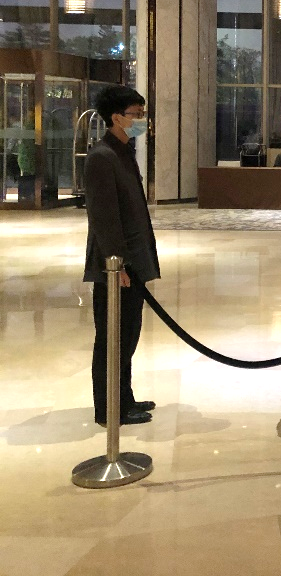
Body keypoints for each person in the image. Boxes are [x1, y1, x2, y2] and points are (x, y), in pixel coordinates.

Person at [83, 84, 160, 426]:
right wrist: (116, 263)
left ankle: (123, 398)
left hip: (132, 261)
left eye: (143, 114)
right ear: (116, 118)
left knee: (127, 335)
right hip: (116, 266)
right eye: (136, 115)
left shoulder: (123, 152)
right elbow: (104, 218)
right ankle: (109, 407)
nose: (142, 121)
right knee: (112, 337)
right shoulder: (102, 157)